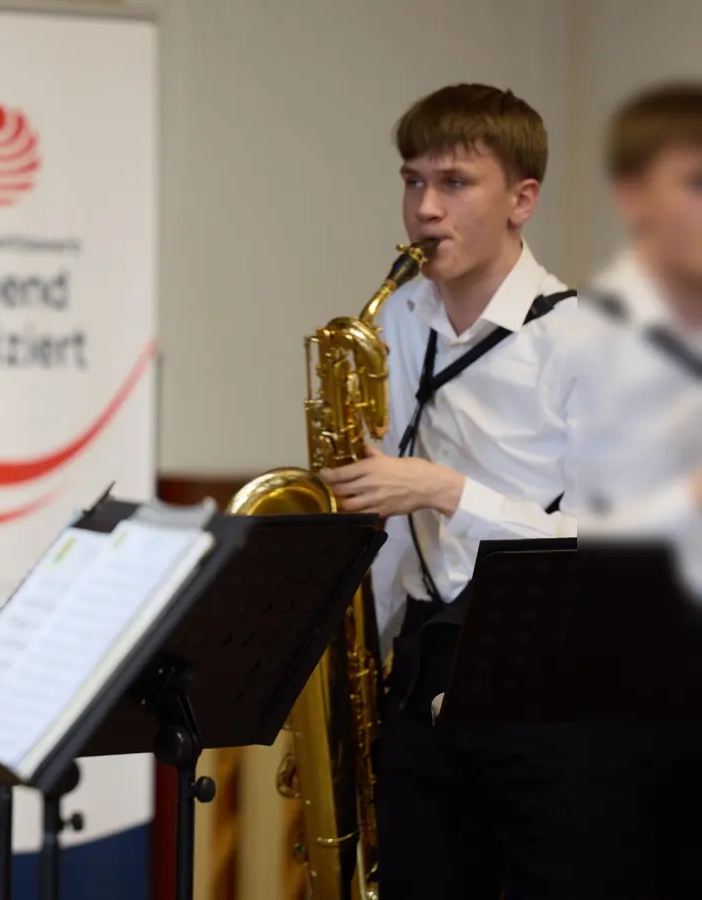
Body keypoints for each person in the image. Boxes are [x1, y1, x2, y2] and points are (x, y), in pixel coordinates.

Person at [316, 83, 610, 898]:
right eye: (413, 181)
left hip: (551, 686)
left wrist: (450, 492)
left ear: (523, 200)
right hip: (417, 673)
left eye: (455, 183)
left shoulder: (591, 340)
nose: (425, 209)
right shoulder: (394, 322)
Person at [568, 80, 702, 898]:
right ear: (631, 196)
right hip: (621, 718)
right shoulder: (580, 343)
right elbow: (564, 535)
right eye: (696, 182)